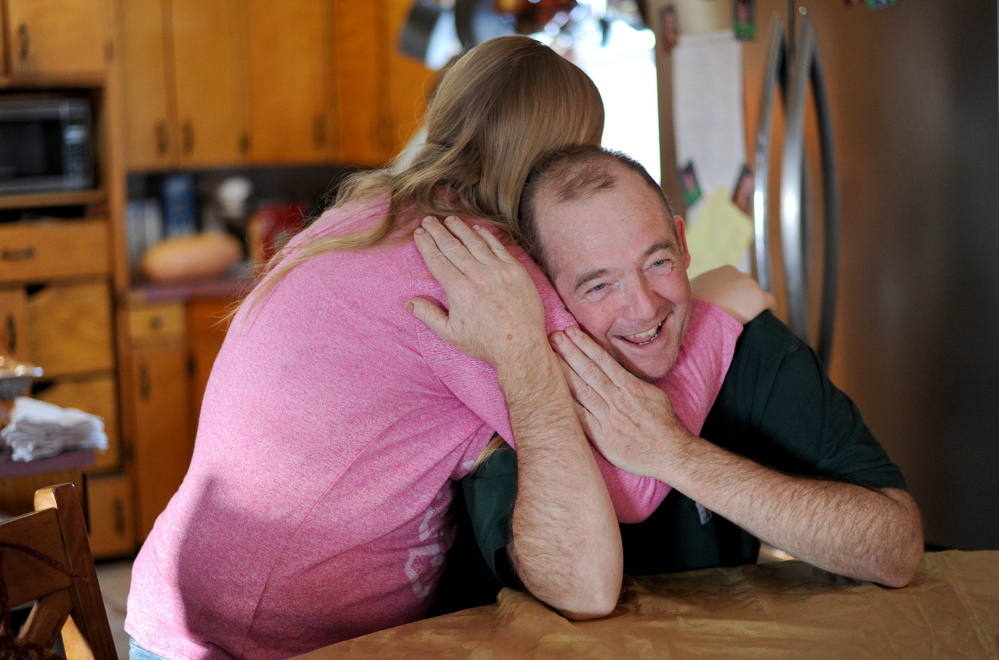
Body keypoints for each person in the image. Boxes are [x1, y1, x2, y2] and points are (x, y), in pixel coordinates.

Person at [124, 37, 770, 659]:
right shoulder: (476, 270)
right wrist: (719, 311)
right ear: (561, 153)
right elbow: (624, 484)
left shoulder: (363, 217)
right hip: (269, 642)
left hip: (186, 602)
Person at [410, 146, 924, 617]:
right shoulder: (500, 388)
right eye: (599, 285)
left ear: (682, 242)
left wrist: (673, 452)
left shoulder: (749, 349)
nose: (645, 308)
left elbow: (897, 549)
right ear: (546, 295)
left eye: (657, 262)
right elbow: (580, 591)